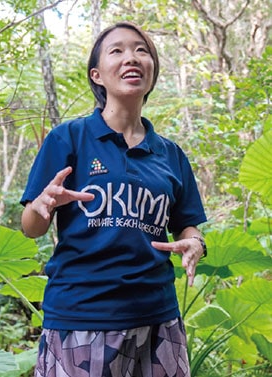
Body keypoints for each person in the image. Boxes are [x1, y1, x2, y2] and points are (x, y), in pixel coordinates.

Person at [20, 21, 207, 377]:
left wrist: (195, 243)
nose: (131, 58)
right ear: (97, 75)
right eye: (117, 50)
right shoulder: (69, 138)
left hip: (158, 318)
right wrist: (41, 205)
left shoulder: (170, 155)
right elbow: (31, 228)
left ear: (151, 70)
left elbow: (187, 225)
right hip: (81, 316)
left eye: (141, 50)